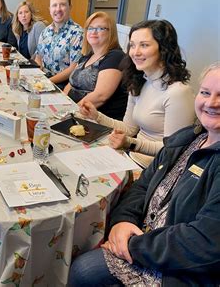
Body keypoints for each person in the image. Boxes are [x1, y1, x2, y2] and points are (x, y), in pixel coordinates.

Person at [69, 62, 220, 287]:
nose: (210, 103)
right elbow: (142, 186)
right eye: (205, 93)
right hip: (145, 241)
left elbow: (204, 242)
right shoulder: (188, 138)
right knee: (81, 265)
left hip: (178, 268)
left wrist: (131, 245)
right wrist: (122, 221)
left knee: (84, 270)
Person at [79, 19, 196, 168]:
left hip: (152, 170)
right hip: (130, 158)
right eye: (132, 45)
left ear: (164, 49)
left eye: (144, 45)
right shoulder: (141, 80)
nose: (135, 52)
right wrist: (96, 116)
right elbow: (129, 129)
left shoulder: (178, 92)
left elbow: (173, 150)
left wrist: (131, 143)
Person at [64, 11, 127, 120]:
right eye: (90, 28)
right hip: (73, 112)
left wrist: (72, 112)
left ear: (110, 32)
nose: (93, 32)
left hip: (96, 120)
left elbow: (100, 96)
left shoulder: (115, 56)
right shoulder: (87, 56)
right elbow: (71, 84)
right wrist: (62, 103)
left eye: (100, 28)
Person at [34, 0, 83, 88]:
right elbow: (38, 58)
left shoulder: (78, 33)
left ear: (70, 7)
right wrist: (38, 76)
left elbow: (73, 68)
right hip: (43, 79)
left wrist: (47, 82)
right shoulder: (45, 31)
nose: (58, 9)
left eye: (63, 5)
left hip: (62, 85)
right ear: (50, 9)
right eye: (54, 5)